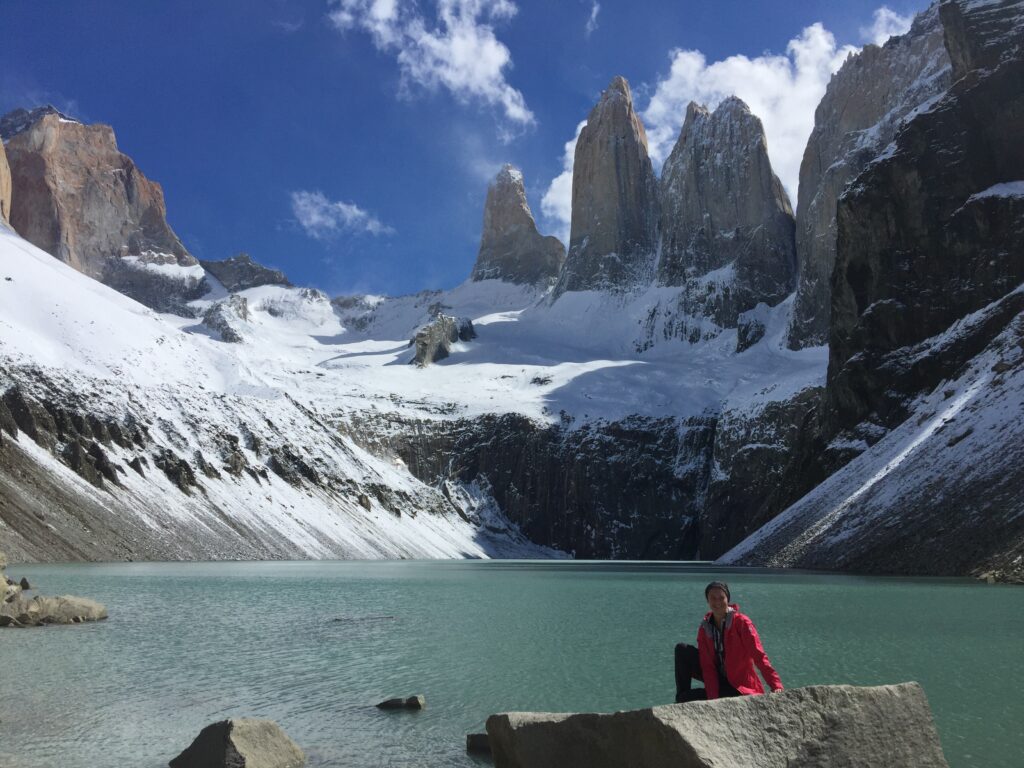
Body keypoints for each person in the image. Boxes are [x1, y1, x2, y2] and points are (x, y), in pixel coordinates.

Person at [674, 581, 783, 703]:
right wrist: (713, 698)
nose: (717, 602)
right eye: (713, 598)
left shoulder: (741, 622)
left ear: (728, 599)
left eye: (721, 598)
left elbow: (759, 655)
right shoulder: (705, 628)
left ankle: (685, 700)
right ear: (707, 600)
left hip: (738, 685)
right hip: (719, 679)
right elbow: (707, 666)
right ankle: (680, 701)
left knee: (688, 698)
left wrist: (776, 685)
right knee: (682, 649)